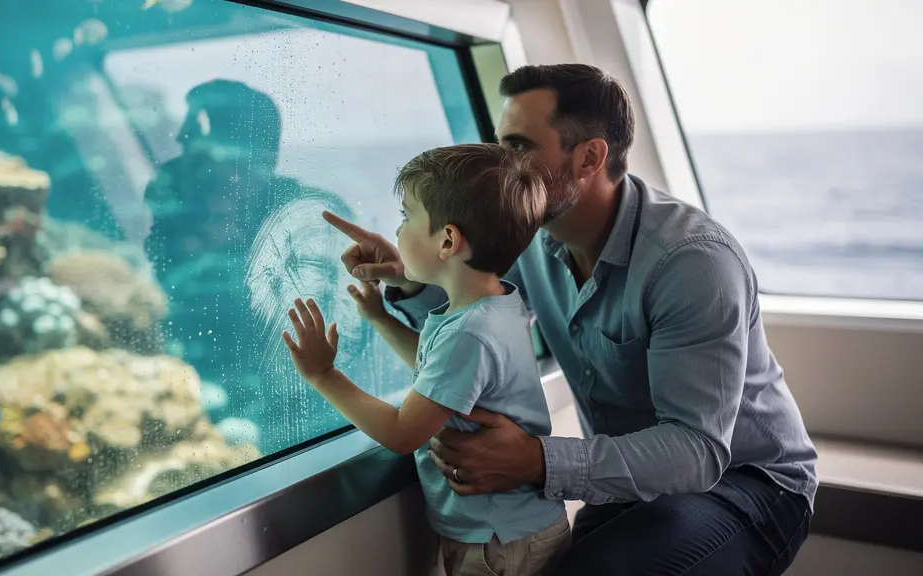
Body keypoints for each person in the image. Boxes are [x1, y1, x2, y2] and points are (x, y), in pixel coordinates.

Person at [323, 64, 818, 575]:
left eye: (517, 147)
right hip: (626, 486)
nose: (501, 163)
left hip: (747, 483)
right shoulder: (531, 234)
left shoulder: (692, 262)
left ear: (589, 157)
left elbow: (696, 452)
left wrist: (536, 460)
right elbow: (468, 323)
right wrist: (405, 277)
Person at [284, 144, 572, 576]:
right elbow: (437, 377)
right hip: (508, 531)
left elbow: (403, 432)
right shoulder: (494, 304)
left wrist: (323, 375)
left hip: (500, 544)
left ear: (448, 240)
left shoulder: (470, 332)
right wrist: (380, 317)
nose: (397, 233)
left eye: (406, 218)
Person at [143, 79, 382, 452]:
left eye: (198, 137)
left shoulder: (308, 223)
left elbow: (309, 363)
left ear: (252, 156)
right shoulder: (182, 214)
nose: (183, 145)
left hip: (294, 433)